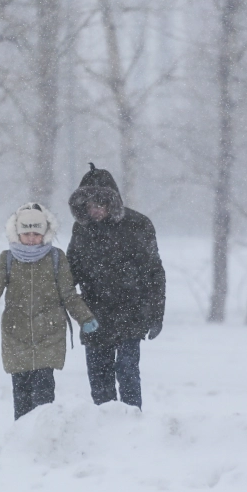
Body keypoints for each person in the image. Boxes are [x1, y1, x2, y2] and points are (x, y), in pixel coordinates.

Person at [0, 203, 98, 420]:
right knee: (21, 394)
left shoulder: (56, 258)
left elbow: (68, 294)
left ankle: (41, 439)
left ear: (45, 233)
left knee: (44, 395)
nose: (31, 237)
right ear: (17, 233)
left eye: (36, 233)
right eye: (26, 233)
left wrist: (85, 317)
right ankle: (21, 442)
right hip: (16, 335)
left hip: (50, 334)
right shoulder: (7, 259)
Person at [67, 164, 166, 409]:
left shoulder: (138, 225)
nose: (95, 210)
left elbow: (154, 273)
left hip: (131, 313)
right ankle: (104, 430)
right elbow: (71, 271)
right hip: (94, 314)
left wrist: (155, 314)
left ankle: (132, 426)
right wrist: (57, 297)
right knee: (99, 379)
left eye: (100, 204)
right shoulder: (82, 229)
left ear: (112, 201)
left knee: (128, 372)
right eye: (89, 205)